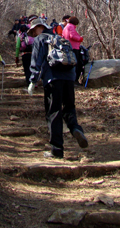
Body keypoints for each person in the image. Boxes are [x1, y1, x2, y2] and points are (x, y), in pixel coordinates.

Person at [27, 17, 88, 159]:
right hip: (68, 78)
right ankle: (75, 128)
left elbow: (37, 61)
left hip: (52, 79)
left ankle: (57, 149)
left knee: (53, 112)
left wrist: (32, 81)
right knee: (69, 108)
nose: (33, 34)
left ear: (38, 28)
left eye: (33, 31)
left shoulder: (40, 39)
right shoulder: (58, 37)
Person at [62, 16, 84, 85]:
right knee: (75, 64)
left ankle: (70, 79)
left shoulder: (65, 27)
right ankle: (74, 80)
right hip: (73, 47)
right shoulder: (71, 27)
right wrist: (80, 38)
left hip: (68, 47)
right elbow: (72, 36)